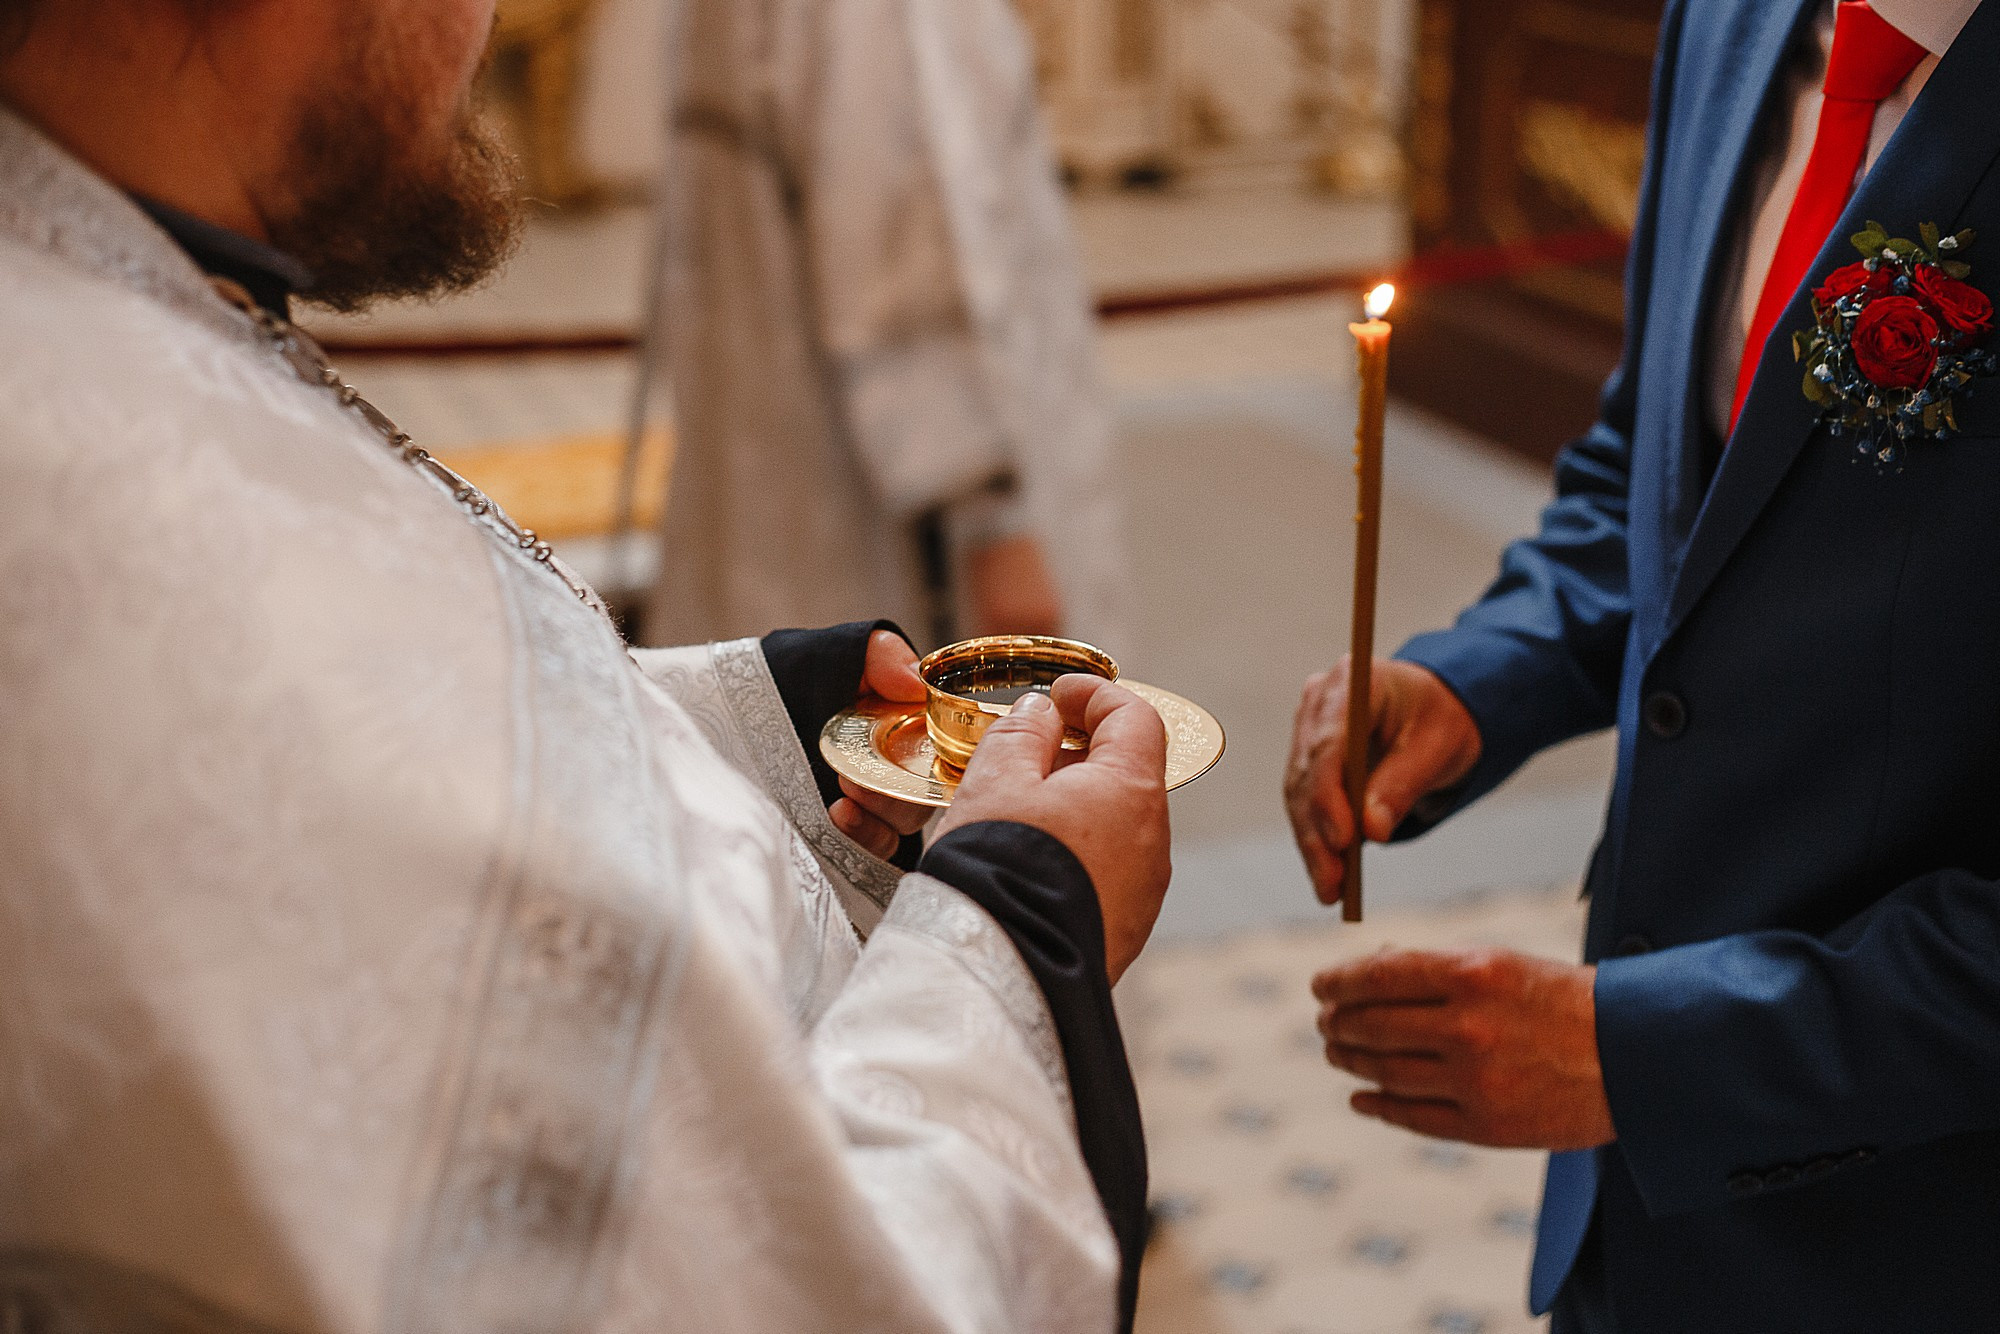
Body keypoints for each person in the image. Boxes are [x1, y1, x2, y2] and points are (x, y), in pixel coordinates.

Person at [0, 1, 1172, 1330]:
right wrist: (1022, 924)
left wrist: (764, 737)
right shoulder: (162, 541)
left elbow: (416, 758)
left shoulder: (90, 298)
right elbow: (814, 1293)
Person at [1284, 0, 2000, 1329]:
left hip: (1926, 1228)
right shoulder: (1732, 19)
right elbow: (1665, 480)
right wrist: (1479, 675)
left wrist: (1652, 1055)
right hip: (1635, 1223)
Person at [640, 0, 1130, 651]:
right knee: (882, 717)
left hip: (771, 452)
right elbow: (896, 231)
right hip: (876, 510)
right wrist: (997, 521)